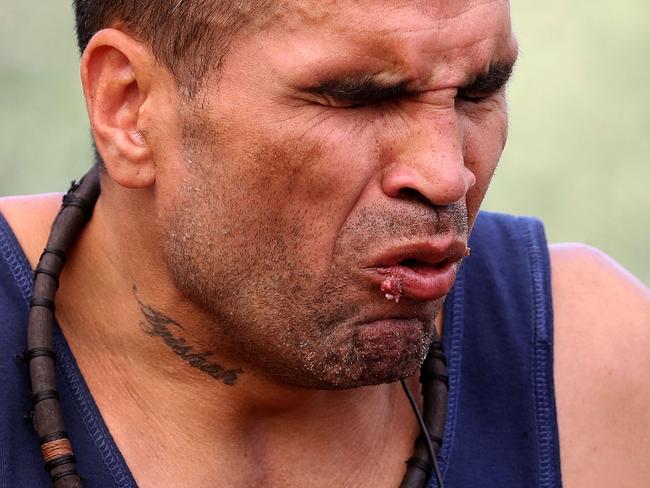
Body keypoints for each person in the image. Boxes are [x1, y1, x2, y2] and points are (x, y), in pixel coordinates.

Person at [1, 0, 648, 486]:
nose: (448, 174)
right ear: (130, 108)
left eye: (478, 91)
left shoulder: (589, 371)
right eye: (358, 99)